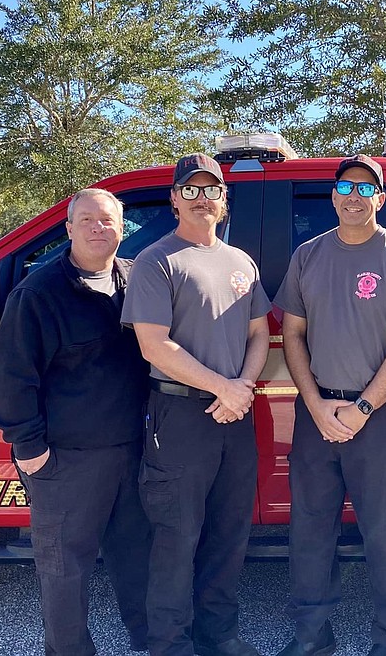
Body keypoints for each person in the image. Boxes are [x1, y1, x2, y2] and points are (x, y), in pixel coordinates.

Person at [272, 155, 386, 656]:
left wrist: (361, 408)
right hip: (315, 413)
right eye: (346, 187)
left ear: (380, 201)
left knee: (385, 534)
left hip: (379, 417)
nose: (354, 196)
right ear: (333, 195)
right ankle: (311, 637)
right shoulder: (308, 256)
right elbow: (292, 333)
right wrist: (318, 405)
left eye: (366, 190)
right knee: (310, 529)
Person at [0, 187, 151, 656]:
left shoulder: (135, 280)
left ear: (123, 228)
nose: (100, 228)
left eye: (109, 220)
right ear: (69, 228)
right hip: (66, 458)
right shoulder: (39, 292)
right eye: (89, 220)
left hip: (131, 449)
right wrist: (30, 448)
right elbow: (9, 379)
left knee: (137, 554)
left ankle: (149, 636)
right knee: (64, 568)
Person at [122, 153, 271, 656]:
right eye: (191, 190)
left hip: (235, 414)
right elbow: (154, 345)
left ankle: (219, 634)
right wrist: (221, 388)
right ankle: (170, 643)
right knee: (176, 538)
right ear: (174, 200)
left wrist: (241, 388)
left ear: (224, 201)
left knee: (229, 533)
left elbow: (259, 333)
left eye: (212, 190)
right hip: (180, 416)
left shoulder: (241, 262)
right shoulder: (157, 261)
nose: (202, 198)